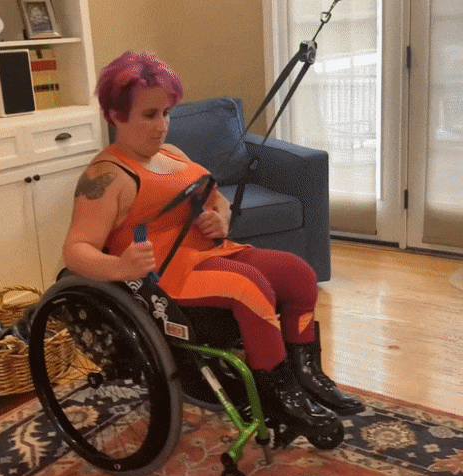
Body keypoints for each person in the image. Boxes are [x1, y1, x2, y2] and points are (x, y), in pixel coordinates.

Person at [63, 51, 363, 431]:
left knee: (299, 274)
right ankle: (277, 392)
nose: (162, 126)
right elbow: (75, 249)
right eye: (149, 115)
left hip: (212, 253)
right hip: (166, 276)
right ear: (116, 115)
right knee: (249, 286)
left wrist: (220, 220)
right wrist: (119, 266)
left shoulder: (172, 154)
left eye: (166, 113)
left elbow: (217, 199)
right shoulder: (106, 177)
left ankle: (305, 373)